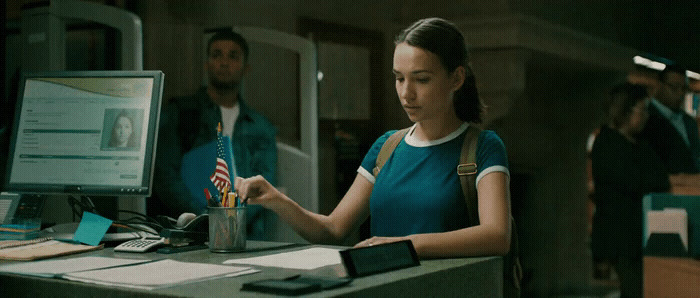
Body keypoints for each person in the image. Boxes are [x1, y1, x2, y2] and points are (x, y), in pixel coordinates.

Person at [236, 18, 512, 258]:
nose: (406, 93)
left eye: (421, 79)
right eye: (399, 78)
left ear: (456, 78)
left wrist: (405, 245)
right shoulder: (387, 147)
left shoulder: (483, 148)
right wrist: (277, 201)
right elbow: (333, 230)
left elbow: (497, 236)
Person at [151, 30, 277, 240]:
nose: (224, 62)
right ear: (207, 64)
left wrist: (233, 218)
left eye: (233, 56)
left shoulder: (261, 126)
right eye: (216, 55)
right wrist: (206, 217)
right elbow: (165, 176)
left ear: (246, 68)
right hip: (189, 231)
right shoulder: (181, 113)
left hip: (244, 235)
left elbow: (264, 182)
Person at [591, 82, 671, 298]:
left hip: (644, 234)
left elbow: (660, 180)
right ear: (625, 110)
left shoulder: (641, 145)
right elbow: (633, 182)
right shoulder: (607, 144)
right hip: (620, 237)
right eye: (642, 109)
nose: (646, 116)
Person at [641, 63, 700, 174]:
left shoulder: (689, 122)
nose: (680, 93)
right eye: (674, 87)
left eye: (683, 89)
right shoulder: (645, 117)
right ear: (659, 85)